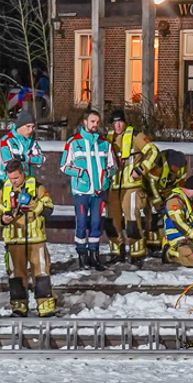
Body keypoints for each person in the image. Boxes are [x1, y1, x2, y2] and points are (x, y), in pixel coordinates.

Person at [0, 159, 57, 317]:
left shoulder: (36, 186)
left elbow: (49, 208)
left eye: (16, 178)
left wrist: (34, 204)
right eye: (10, 178)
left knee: (41, 272)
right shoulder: (5, 189)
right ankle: (19, 307)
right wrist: (3, 219)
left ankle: (45, 306)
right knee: (16, 275)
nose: (13, 181)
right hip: (14, 239)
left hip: (36, 238)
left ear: (22, 173)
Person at [106, 108, 162, 265]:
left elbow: (153, 152)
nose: (117, 126)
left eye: (120, 122)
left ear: (125, 122)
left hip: (132, 186)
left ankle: (137, 253)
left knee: (132, 220)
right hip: (113, 186)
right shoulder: (106, 139)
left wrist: (141, 169)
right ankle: (117, 252)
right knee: (111, 222)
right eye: (115, 123)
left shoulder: (136, 136)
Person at [60, 109, 112, 269]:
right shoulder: (73, 142)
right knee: (82, 223)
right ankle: (82, 255)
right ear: (85, 122)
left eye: (97, 122)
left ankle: (94, 255)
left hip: (98, 192)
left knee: (96, 223)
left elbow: (111, 166)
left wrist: (106, 178)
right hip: (82, 191)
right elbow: (64, 166)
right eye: (92, 121)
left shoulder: (104, 143)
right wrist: (80, 173)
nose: (95, 125)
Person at [161, 174, 193, 267]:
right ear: (188, 189)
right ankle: (170, 254)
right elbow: (179, 223)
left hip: (190, 239)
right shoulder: (175, 201)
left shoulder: (191, 202)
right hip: (178, 239)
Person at [0, 115, 44, 187]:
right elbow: (10, 165)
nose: (31, 130)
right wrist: (29, 159)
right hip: (9, 182)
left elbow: (41, 159)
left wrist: (25, 158)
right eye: (28, 126)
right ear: (20, 126)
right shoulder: (6, 141)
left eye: (33, 127)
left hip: (29, 182)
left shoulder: (32, 141)